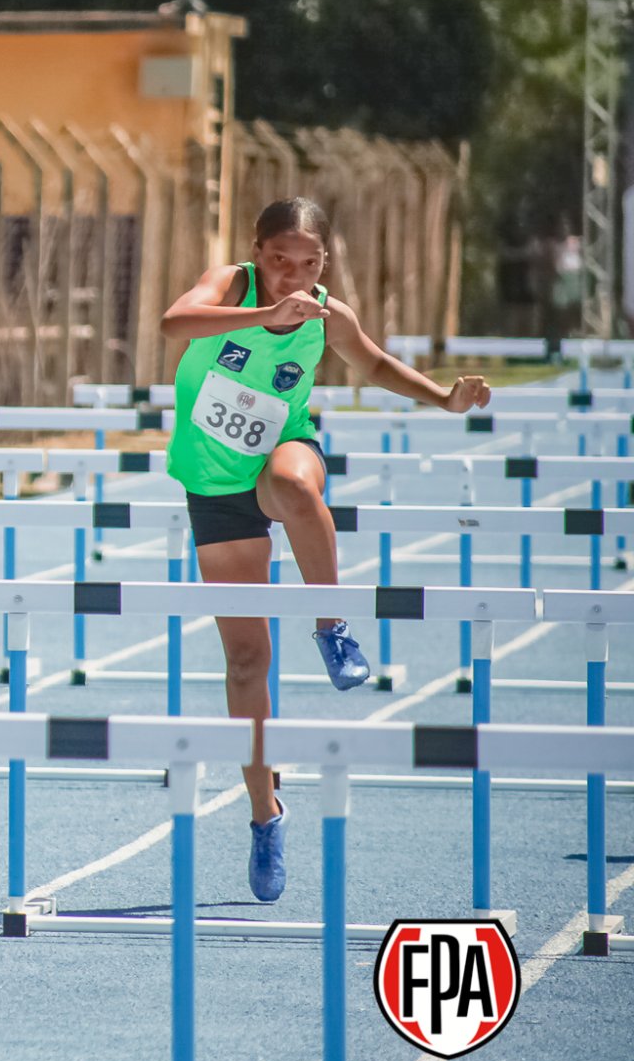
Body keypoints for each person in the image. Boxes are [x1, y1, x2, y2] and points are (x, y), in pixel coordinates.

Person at [160, 196, 492, 903]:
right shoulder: (230, 286)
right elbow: (173, 324)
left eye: (307, 265)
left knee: (293, 483)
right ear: (257, 253)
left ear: (324, 264)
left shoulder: (326, 314)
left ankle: (331, 624)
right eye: (280, 261)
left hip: (279, 449)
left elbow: (371, 364)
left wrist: (442, 397)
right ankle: (264, 813)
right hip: (212, 481)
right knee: (247, 661)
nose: (292, 277)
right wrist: (261, 315)